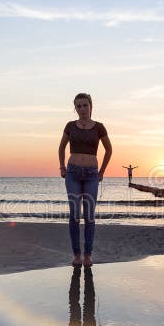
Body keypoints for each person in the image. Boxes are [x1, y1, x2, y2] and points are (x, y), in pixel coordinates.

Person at [58, 93, 112, 267]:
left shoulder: (99, 127)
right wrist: (62, 167)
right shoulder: (70, 126)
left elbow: (109, 150)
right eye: (79, 106)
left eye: (85, 105)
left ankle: (88, 256)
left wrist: (101, 172)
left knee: (89, 215)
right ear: (75, 108)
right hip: (72, 173)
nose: (82, 109)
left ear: (91, 106)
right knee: (74, 214)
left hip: (91, 174)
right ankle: (76, 255)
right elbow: (61, 147)